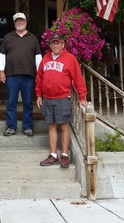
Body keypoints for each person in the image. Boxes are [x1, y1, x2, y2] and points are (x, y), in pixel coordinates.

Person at [35, 33, 87, 168]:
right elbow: (39, 78)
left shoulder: (69, 58)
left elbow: (78, 78)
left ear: (63, 44)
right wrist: (39, 95)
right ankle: (53, 155)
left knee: (64, 126)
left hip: (63, 98)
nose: (55, 45)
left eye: (58, 43)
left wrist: (82, 97)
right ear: (50, 45)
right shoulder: (45, 59)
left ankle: (64, 155)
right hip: (47, 99)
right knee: (51, 126)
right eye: (53, 43)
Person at [0, 12, 42, 136]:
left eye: (21, 20)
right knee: (11, 102)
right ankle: (11, 127)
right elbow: (2, 55)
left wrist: (39, 73)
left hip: (29, 75)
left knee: (28, 102)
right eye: (17, 21)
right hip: (11, 74)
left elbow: (38, 56)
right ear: (14, 23)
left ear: (25, 22)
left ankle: (27, 127)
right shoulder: (8, 37)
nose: (19, 22)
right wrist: (1, 70)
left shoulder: (32, 38)